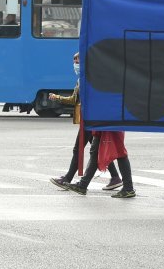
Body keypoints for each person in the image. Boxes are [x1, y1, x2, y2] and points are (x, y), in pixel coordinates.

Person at [49, 52, 122, 191]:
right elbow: (74, 99)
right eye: (74, 61)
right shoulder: (80, 79)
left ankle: (68, 178)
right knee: (97, 150)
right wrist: (57, 97)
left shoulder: (90, 78)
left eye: (78, 61)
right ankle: (115, 177)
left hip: (89, 119)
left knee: (79, 149)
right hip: (85, 119)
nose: (76, 64)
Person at [61, 131, 136, 198]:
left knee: (120, 154)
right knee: (97, 153)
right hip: (105, 124)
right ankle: (82, 185)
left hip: (107, 123)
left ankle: (128, 188)